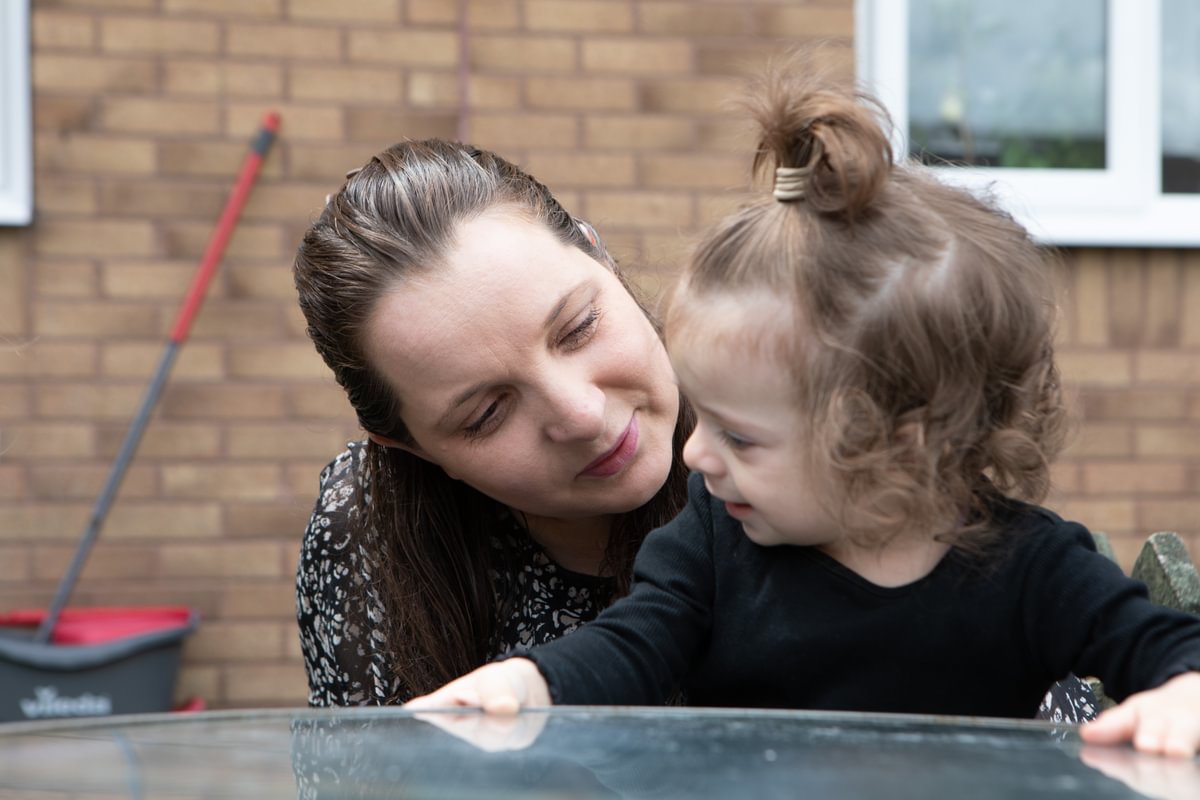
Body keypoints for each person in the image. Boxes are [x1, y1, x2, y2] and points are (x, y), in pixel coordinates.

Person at [405, 62, 1200, 757]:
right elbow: (633, 643)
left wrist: (1179, 693)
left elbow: (1168, 649)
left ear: (897, 442)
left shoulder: (1031, 570)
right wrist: (529, 681)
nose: (695, 457)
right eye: (703, 416)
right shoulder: (714, 544)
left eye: (740, 436)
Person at [292, 140, 694, 706]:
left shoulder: (790, 435)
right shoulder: (364, 534)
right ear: (412, 448)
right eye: (487, 414)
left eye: (578, 328)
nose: (580, 415)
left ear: (602, 258)